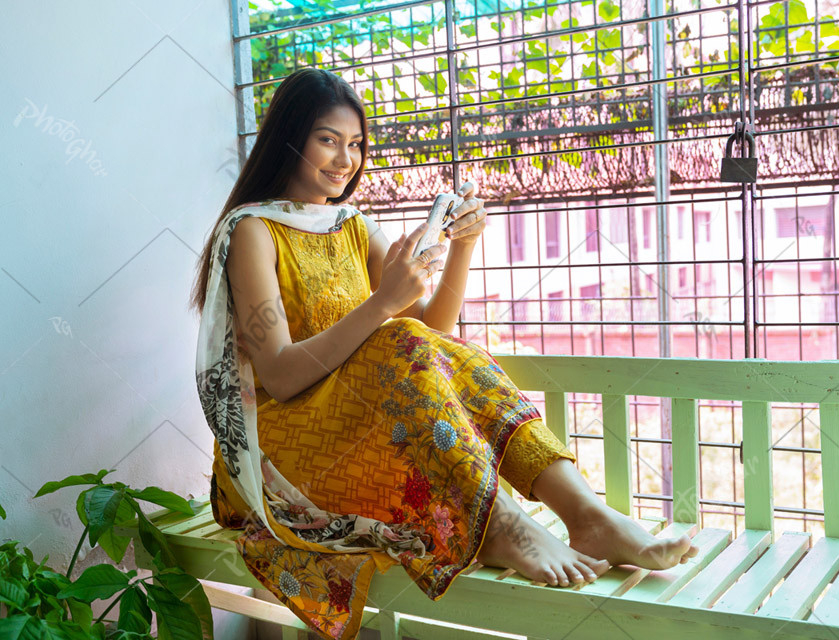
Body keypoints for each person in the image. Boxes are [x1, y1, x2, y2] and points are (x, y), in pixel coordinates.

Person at [190, 68, 697, 640]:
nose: (345, 160)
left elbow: (433, 330)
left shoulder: (352, 226)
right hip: (284, 446)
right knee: (394, 337)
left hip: (355, 429)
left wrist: (463, 247)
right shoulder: (254, 229)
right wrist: (382, 304)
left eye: (355, 144)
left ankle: (587, 514)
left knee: (437, 346)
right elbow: (280, 375)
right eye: (328, 140)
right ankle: (497, 523)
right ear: (289, 140)